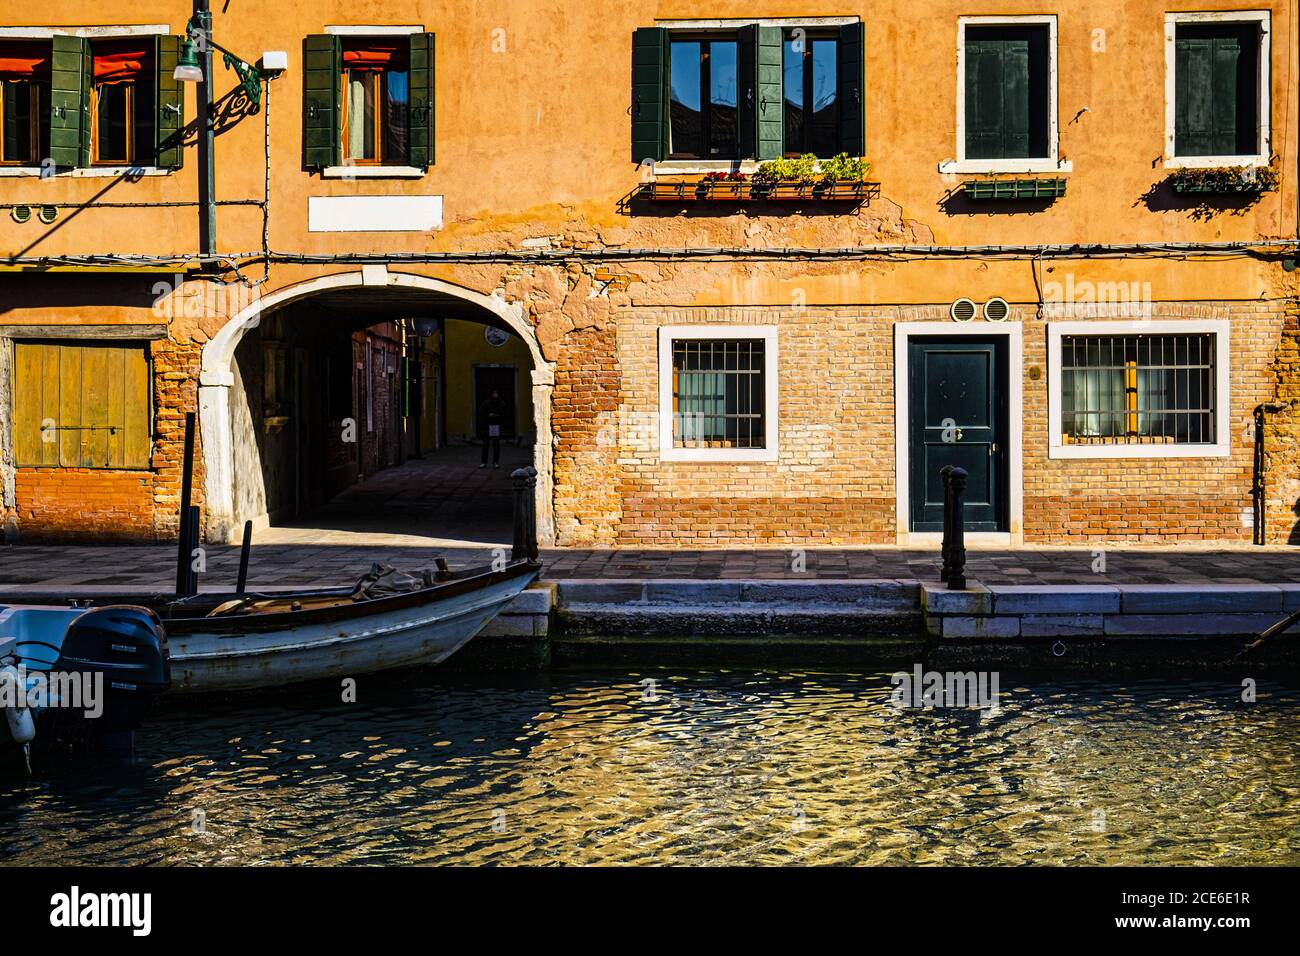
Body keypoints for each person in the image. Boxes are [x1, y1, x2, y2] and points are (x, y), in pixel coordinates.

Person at [479, 389, 507, 469]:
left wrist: (498, 416)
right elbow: (481, 412)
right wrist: (488, 415)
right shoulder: (486, 403)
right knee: (485, 445)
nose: (495, 395)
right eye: (494, 393)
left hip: (496, 425)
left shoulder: (501, 403)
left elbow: (504, 414)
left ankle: (496, 462)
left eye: (496, 393)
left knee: (496, 445)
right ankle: (484, 462)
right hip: (488, 425)